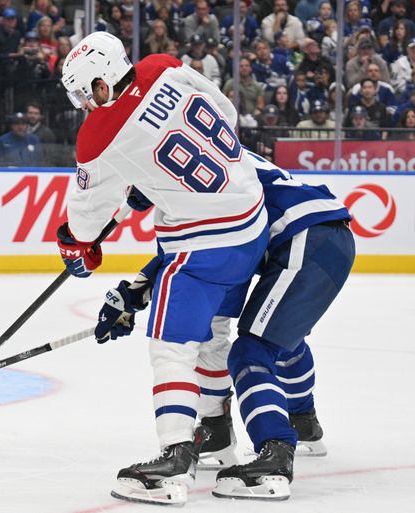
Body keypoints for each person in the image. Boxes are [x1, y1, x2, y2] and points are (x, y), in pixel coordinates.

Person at [58, 32, 268, 506]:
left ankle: (175, 459)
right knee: (213, 329)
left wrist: (74, 244)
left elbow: (88, 218)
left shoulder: (100, 132)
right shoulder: (163, 65)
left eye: (86, 91)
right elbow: (225, 115)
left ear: (103, 78)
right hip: (251, 221)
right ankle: (216, 432)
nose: (85, 104)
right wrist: (158, 175)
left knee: (171, 346)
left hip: (204, 247)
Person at [96, 151, 354, 501]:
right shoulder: (197, 159)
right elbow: (200, 271)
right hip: (322, 235)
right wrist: (137, 289)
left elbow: (196, 266)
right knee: (280, 339)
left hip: (304, 237)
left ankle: (276, 455)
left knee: (250, 353)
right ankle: (303, 421)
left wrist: (139, 290)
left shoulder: (183, 189)